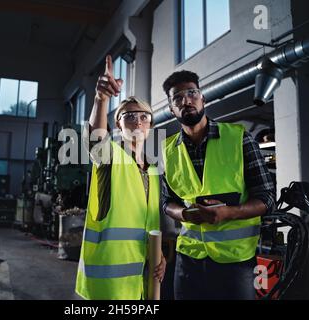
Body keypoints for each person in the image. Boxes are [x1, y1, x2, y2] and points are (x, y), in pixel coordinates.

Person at [161, 70, 276, 300]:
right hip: (188, 260)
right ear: (172, 109)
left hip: (236, 262)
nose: (186, 100)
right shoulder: (166, 149)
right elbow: (166, 202)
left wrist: (228, 213)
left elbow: (267, 198)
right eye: (177, 98)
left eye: (192, 93)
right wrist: (183, 213)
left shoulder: (239, 138)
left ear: (203, 98)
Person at [75, 55, 166, 300]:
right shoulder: (110, 157)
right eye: (129, 116)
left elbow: (150, 222)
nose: (137, 120)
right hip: (107, 285)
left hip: (141, 281)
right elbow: (96, 139)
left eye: (144, 116)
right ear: (117, 124)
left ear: (151, 125)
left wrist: (159, 255)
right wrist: (100, 98)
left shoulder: (154, 170)